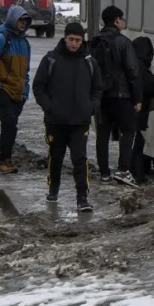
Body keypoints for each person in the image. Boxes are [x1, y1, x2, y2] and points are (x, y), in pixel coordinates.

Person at [32, 22, 103, 212]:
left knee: (80, 159)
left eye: (78, 40)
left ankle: (82, 198)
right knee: (56, 158)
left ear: (82, 40)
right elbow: (38, 86)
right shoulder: (51, 59)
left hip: (80, 121)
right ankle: (53, 189)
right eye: (71, 39)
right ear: (65, 38)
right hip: (56, 121)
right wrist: (49, 106)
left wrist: (91, 107)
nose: (74, 44)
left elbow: (98, 88)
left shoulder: (89, 62)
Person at [91, 5, 142, 186]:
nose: (123, 22)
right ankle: (123, 169)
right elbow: (133, 71)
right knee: (128, 130)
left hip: (101, 96)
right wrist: (137, 98)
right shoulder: (123, 42)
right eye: (122, 19)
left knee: (103, 133)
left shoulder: (95, 42)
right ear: (116, 20)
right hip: (122, 96)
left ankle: (104, 172)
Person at [0, 5, 33, 174]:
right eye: (20, 20)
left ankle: (6, 160)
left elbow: (26, 71)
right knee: (9, 125)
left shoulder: (25, 43)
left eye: (25, 21)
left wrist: (25, 91)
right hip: (2, 90)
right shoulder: (1, 40)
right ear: (13, 19)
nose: (23, 23)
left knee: (10, 127)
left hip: (18, 93)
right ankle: (4, 161)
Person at [130, 36, 154, 185]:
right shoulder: (140, 66)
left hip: (129, 109)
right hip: (138, 110)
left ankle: (132, 171)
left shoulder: (131, 62)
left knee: (133, 141)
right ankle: (137, 175)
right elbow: (152, 85)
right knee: (138, 142)